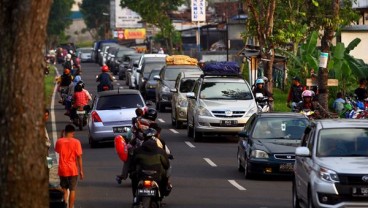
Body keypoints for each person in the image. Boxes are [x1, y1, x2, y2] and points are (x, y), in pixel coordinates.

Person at [129, 128, 170, 206]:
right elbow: (166, 165)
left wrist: (132, 172)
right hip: (156, 176)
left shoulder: (138, 150)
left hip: (142, 176)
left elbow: (132, 164)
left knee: (133, 176)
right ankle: (161, 196)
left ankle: (135, 197)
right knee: (165, 176)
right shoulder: (161, 151)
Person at [55, 125, 84, 208]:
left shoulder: (59, 141)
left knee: (64, 189)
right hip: (73, 169)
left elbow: (57, 150)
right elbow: (79, 157)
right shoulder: (76, 142)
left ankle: (64, 205)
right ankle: (71, 207)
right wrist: (81, 170)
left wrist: (61, 136)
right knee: (72, 190)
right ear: (72, 132)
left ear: (65, 132)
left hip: (63, 169)